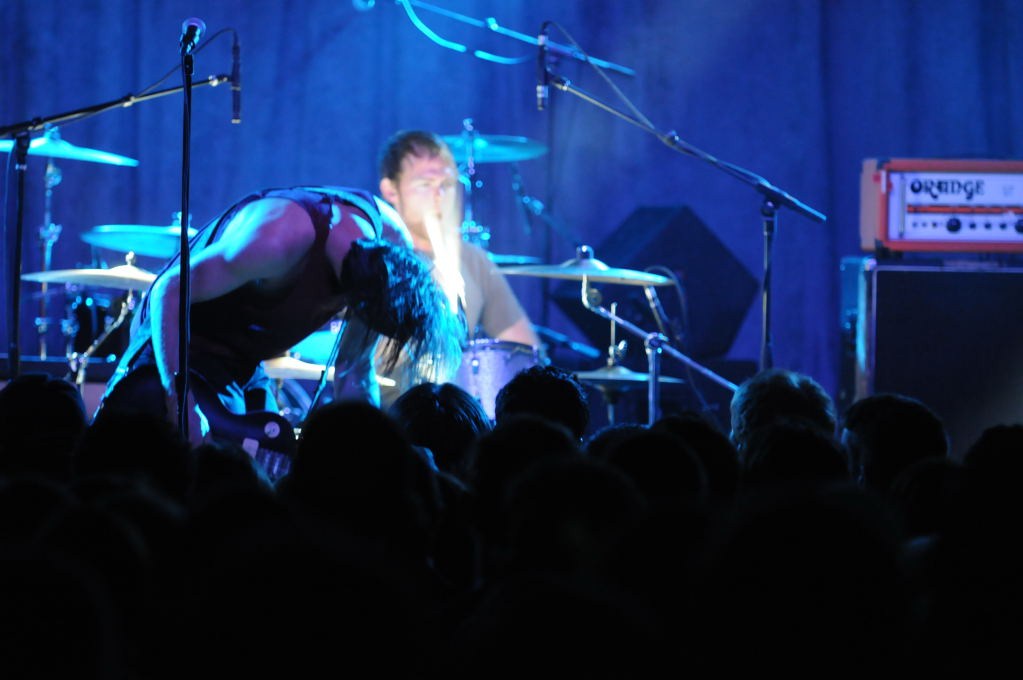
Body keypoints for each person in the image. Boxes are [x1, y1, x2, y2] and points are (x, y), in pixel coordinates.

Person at [96, 185, 464, 456]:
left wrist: (365, 451)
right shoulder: (280, 239)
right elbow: (169, 289)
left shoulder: (388, 250)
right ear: (358, 299)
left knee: (263, 471)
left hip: (241, 362)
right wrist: (180, 400)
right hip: (178, 348)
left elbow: (354, 370)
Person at [375, 130, 541, 403]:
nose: (439, 195)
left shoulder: (473, 259)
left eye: (448, 184)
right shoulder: (371, 258)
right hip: (384, 410)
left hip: (454, 411)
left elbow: (524, 351)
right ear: (390, 190)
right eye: (425, 184)